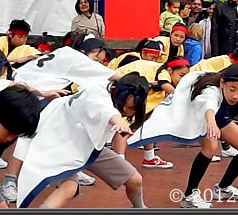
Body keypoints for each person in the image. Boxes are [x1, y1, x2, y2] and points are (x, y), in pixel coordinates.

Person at [127, 64, 238, 208]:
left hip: (219, 117)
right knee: (211, 147)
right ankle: (189, 195)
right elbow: (209, 105)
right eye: (232, 89)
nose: (235, 95)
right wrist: (211, 122)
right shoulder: (211, 91)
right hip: (199, 117)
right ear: (222, 83)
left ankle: (223, 188)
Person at [15, 72, 147, 209]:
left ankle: (140, 208)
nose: (127, 111)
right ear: (116, 91)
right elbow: (103, 108)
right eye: (128, 106)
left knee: (135, 180)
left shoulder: (111, 86)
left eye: (133, 109)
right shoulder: (97, 91)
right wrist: (118, 119)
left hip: (89, 146)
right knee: (69, 187)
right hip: (61, 143)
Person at [0, 73, 41, 209]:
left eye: (16, 135)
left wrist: (42, 93)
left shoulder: (0, 97)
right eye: (9, 133)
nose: (10, 139)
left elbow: (13, 85)